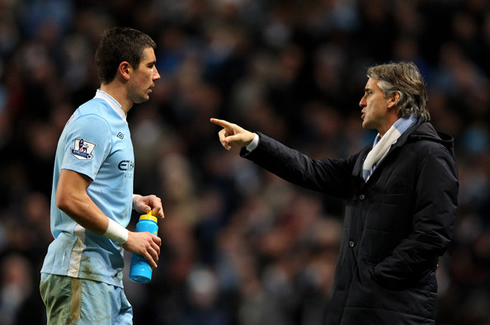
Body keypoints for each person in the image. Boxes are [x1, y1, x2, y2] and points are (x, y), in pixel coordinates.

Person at [211, 61, 459, 324]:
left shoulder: (430, 155)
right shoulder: (369, 157)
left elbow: (433, 233)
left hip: (395, 310)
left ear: (393, 99)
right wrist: (254, 142)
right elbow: (311, 171)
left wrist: (377, 276)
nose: (361, 102)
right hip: (357, 308)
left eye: (369, 93)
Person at [40, 27, 164, 324]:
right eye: (150, 66)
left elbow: (92, 188)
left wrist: (132, 201)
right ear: (125, 70)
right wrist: (127, 237)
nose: (157, 75)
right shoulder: (95, 121)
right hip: (80, 271)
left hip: (104, 276)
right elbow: (69, 197)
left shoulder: (113, 121)